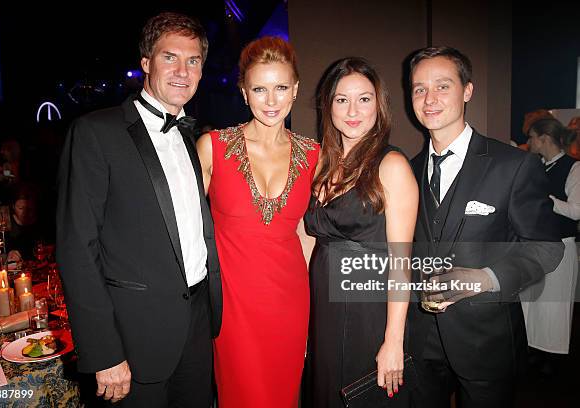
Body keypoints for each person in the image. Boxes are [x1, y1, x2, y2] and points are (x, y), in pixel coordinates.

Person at [57, 12, 222, 407]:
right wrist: (104, 352)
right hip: (133, 338)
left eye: (193, 60)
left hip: (198, 324)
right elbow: (77, 249)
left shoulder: (194, 135)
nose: (183, 71)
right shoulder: (96, 133)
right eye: (170, 58)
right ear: (146, 62)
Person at [406, 46, 563, 407]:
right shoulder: (406, 171)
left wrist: (485, 278)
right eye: (419, 88)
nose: (429, 99)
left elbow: (547, 247)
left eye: (442, 86)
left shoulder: (514, 165)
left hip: (487, 340)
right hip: (421, 342)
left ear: (468, 91)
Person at [196, 36, 319, 407]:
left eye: (281, 88)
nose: (271, 100)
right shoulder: (213, 146)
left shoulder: (314, 154)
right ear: (244, 93)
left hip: (290, 303)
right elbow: (181, 226)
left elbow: (307, 235)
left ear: (295, 90)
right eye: (260, 89)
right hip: (234, 308)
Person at [301, 57, 418, 407]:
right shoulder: (321, 164)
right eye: (341, 99)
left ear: (378, 105)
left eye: (364, 98)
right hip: (324, 305)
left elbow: (401, 261)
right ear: (329, 105)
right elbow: (309, 241)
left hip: (370, 309)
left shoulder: (391, 165)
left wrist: (393, 340)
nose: (353, 110)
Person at [523, 117, 578, 366]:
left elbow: (576, 211)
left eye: (531, 137)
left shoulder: (574, 168)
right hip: (536, 245)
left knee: (554, 305)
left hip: (561, 245)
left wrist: (546, 199)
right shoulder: (537, 166)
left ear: (544, 138)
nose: (529, 142)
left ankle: (552, 357)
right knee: (532, 303)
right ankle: (534, 349)